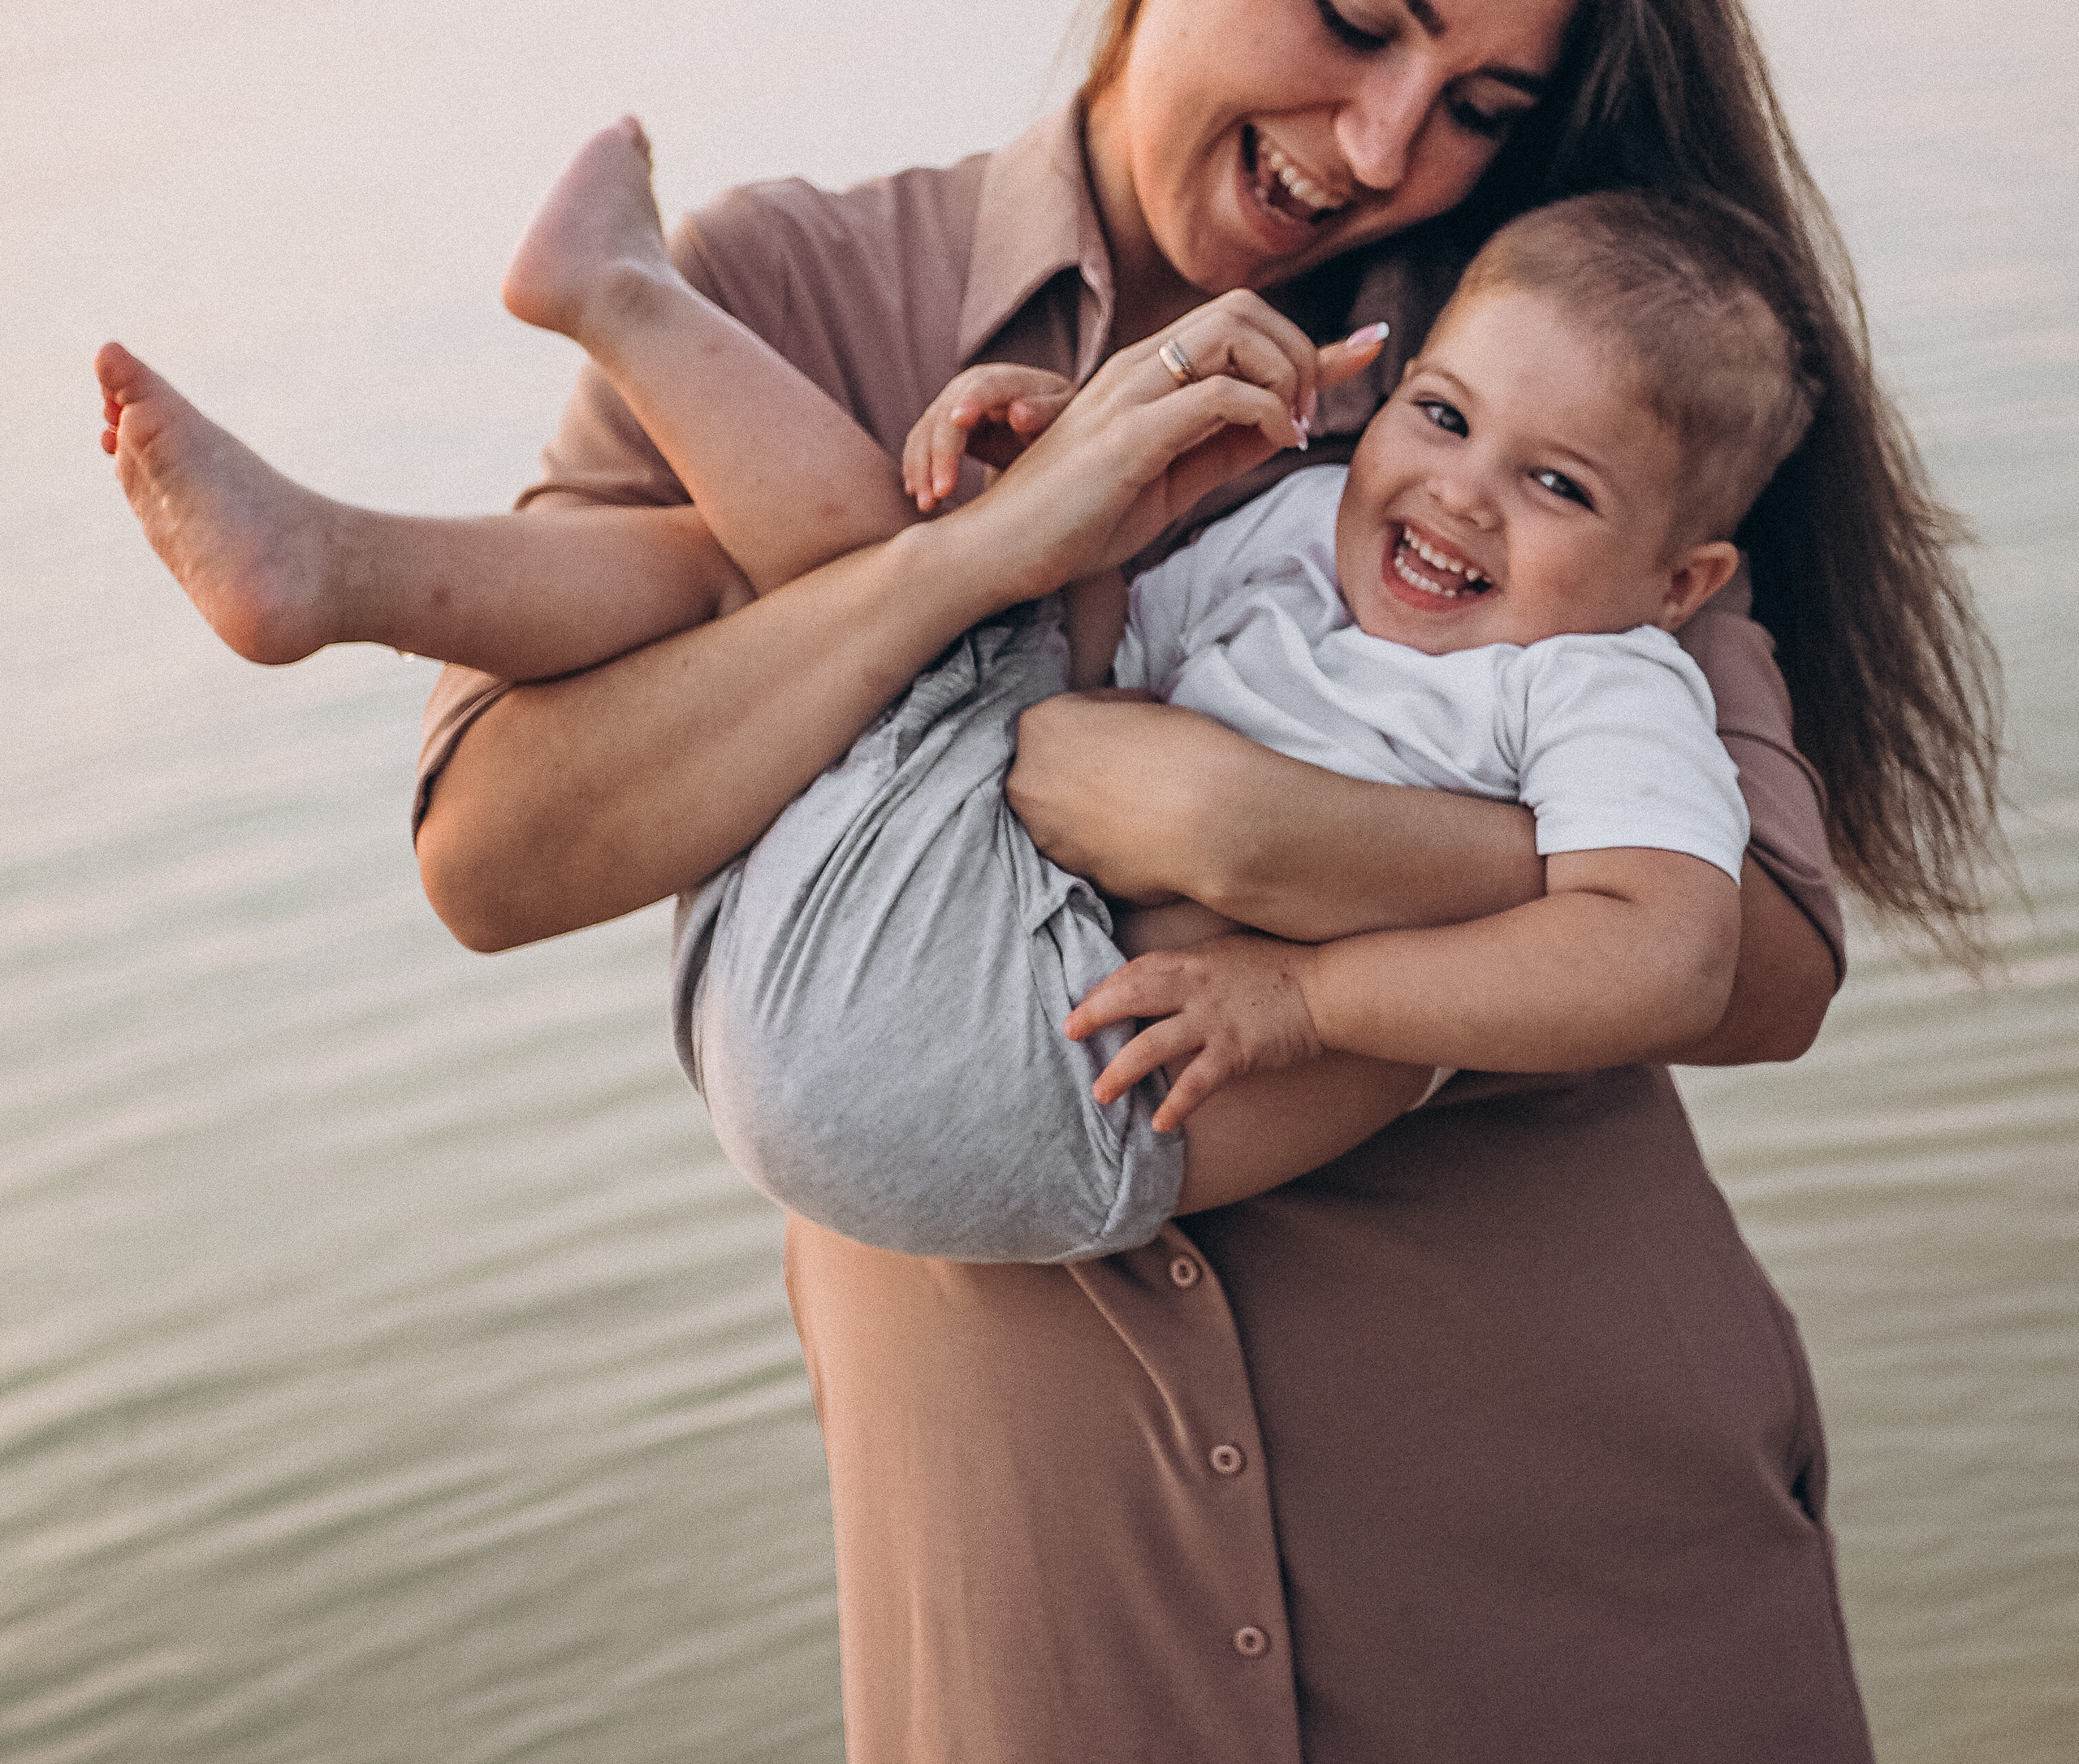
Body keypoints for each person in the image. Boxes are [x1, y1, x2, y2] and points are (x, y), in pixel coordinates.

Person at [97, 0, 2002, 1762]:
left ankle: (339, 565)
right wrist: (964, 560)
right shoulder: (799, 292)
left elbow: (1758, 957)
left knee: (761, 571)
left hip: (1574, 1609)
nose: (1382, 142)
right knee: (770, 553)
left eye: (1474, 102)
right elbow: (499, 852)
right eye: (1353, 17)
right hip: (1048, 1649)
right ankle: (336, 566)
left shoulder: (1530, 373)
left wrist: (1253, 837)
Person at [100, 156, 1802, 1263]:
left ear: (1678, 582)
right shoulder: (1298, 525)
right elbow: (1081, 658)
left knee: (858, 582)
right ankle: (333, 569)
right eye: (1436, 414)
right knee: (845, 591)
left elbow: (1674, 953)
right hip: (898, 983)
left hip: (1042, 1064)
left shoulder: (1600, 685)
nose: (1460, 496)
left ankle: (599, 323)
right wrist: (1054, 484)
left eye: (1558, 485)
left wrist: (1301, 999)